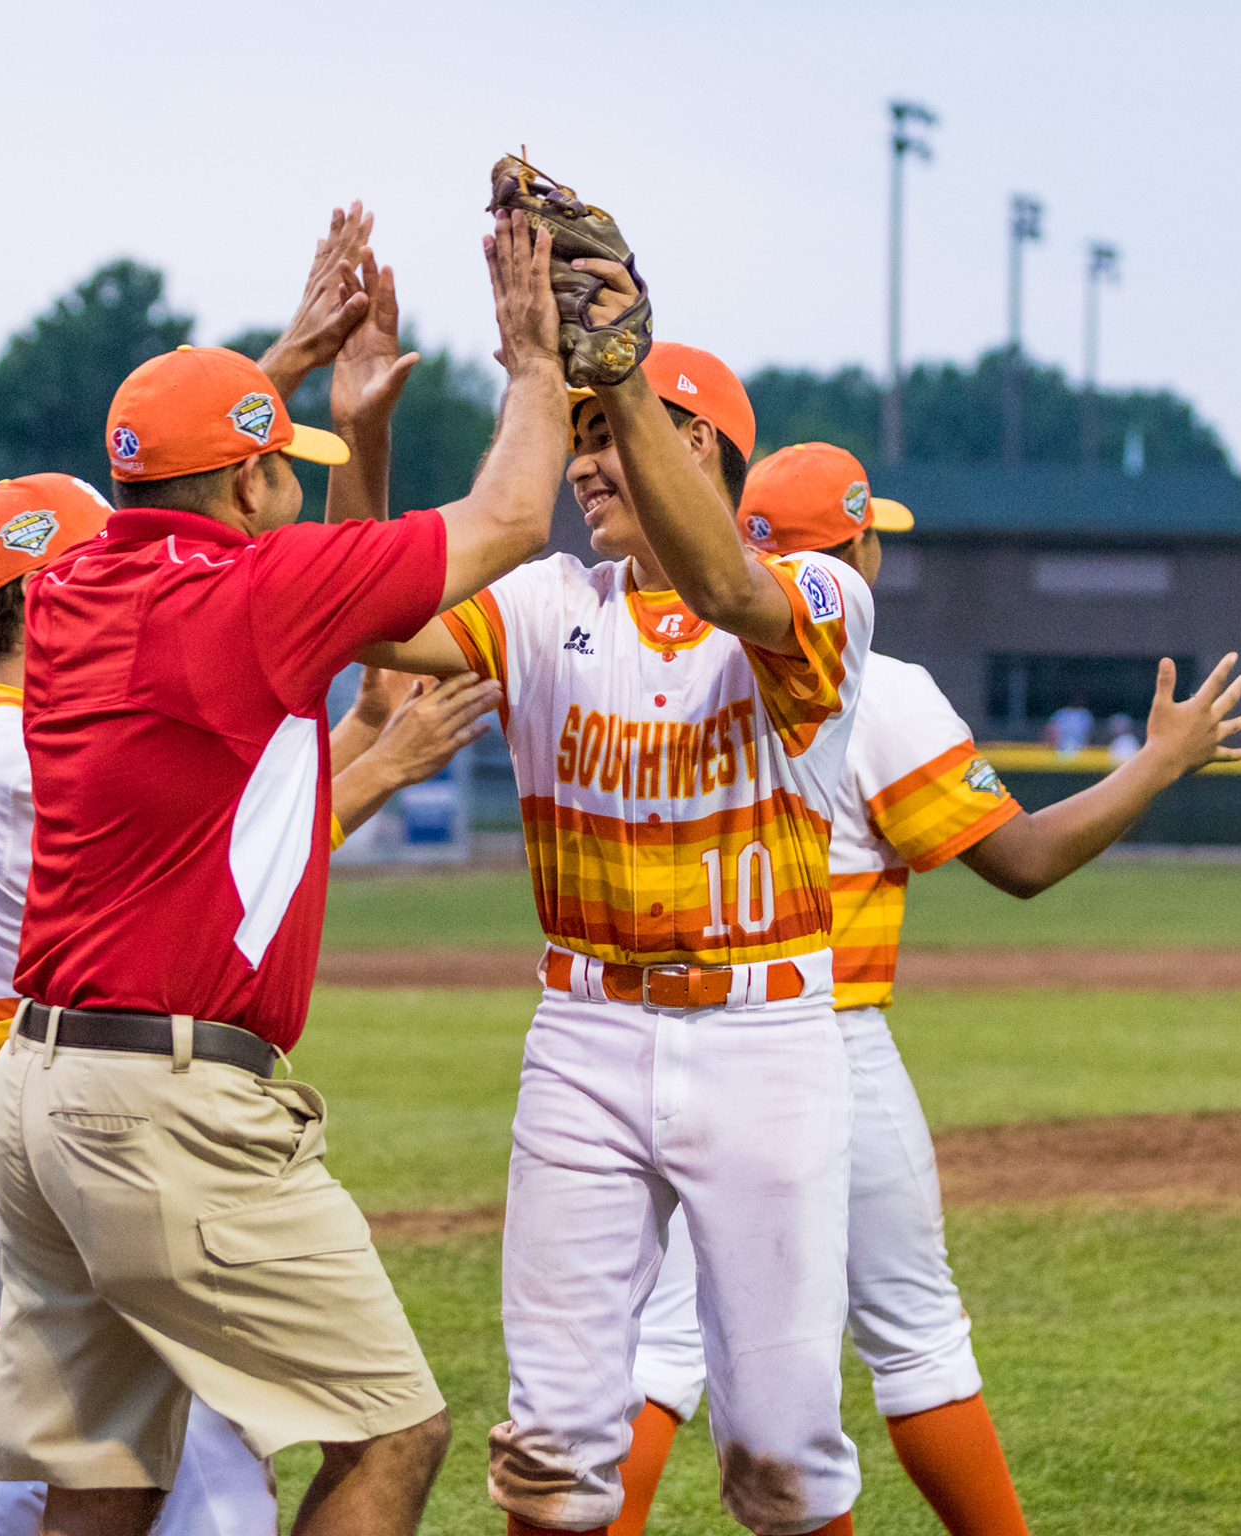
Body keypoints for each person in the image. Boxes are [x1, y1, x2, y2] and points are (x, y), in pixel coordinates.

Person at [0, 208, 567, 1536]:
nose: (291, 485)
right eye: (278, 464)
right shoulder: (249, 599)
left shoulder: (71, 589)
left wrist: (285, 380)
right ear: (245, 488)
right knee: (388, 1432)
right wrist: (534, 364)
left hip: (40, 1091)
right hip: (163, 1110)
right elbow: (513, 513)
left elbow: (175, 480)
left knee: (102, 1482)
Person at [612, 440, 1241, 1536]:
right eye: (874, 542)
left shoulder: (678, 667)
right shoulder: (879, 687)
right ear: (856, 551)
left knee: (663, 1349)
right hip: (825, 1041)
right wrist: (1157, 762)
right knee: (914, 1338)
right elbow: (1021, 862)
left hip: (670, 1038)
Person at [362, 337, 874, 1536]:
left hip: (767, 1036)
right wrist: (368, 436)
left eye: (606, 434)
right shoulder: (547, 605)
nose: (583, 464)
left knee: (785, 1449)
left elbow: (732, 595)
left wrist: (621, 374)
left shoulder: (820, 593)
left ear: (695, 444)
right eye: (579, 435)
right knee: (550, 1441)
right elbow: (371, 620)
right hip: (584, 1035)